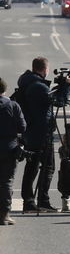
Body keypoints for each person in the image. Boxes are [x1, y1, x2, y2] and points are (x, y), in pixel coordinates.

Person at [14, 57, 68, 214]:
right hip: (41, 132)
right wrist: (68, 87)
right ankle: (39, 201)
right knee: (46, 167)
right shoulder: (37, 85)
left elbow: (47, 99)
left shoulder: (28, 82)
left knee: (33, 167)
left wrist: (59, 87)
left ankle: (31, 202)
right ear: (45, 69)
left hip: (31, 130)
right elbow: (59, 101)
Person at [0, 77, 27, 225]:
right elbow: (23, 127)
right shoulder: (13, 105)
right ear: (4, 90)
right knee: (6, 182)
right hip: (8, 147)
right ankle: (4, 214)